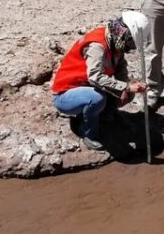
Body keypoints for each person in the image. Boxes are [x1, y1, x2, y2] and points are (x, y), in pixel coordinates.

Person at [51, 12, 148, 150]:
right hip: (66, 95)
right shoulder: (98, 45)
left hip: (88, 87)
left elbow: (120, 69)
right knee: (96, 98)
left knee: (126, 92)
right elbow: (95, 77)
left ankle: (103, 116)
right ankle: (87, 132)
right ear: (125, 34)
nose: (131, 47)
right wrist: (125, 87)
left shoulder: (115, 41)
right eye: (131, 42)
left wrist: (125, 88)